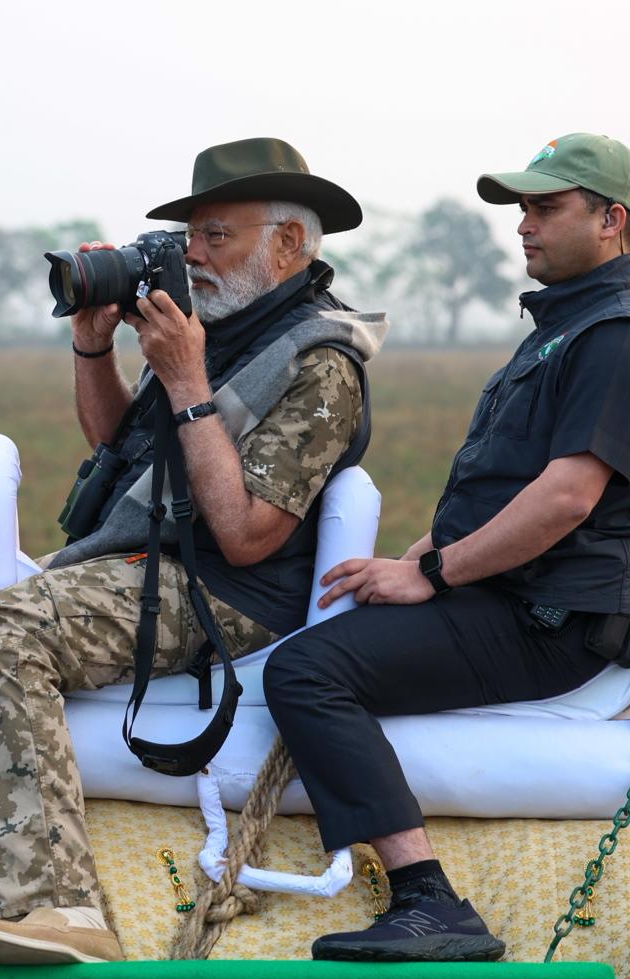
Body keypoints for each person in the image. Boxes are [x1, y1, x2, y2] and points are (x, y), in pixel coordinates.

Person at [0, 138, 388, 965]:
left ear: (288, 244)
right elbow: (120, 445)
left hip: (226, 589)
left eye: (215, 235)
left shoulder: (320, 362)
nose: (192, 252)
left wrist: (189, 384)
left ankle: (62, 911)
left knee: (3, 630)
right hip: (151, 561)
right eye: (190, 233)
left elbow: (249, 533)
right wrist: (93, 344)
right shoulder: (216, 327)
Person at [264, 132, 630, 963]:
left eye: (546, 207)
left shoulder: (613, 333)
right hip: (509, 591)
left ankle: (428, 900)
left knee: (307, 671)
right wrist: (405, 562)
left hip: (553, 616)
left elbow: (567, 497)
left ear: (612, 220)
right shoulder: (563, 327)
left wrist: (431, 572)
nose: (524, 226)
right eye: (522, 209)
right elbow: (499, 488)